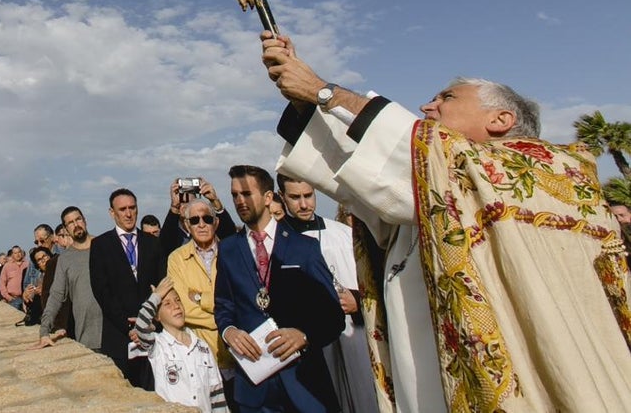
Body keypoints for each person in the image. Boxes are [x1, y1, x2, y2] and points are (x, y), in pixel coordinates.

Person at [261, 31, 631, 413]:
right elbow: (361, 174)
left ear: (502, 119)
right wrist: (303, 96)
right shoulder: (437, 191)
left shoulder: (539, 172)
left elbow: (425, 151)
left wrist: (326, 92)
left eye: (446, 98)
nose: (427, 106)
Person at [215, 165, 343, 413]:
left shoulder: (304, 248)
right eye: (234, 195)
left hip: (303, 384)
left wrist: (305, 335)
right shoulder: (229, 250)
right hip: (254, 390)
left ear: (267, 197)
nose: (240, 201)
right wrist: (229, 332)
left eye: (246, 193)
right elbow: (223, 306)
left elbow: (333, 316)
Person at [277, 173, 377, 413]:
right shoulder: (279, 242)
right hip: (314, 341)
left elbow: (372, 282)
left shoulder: (343, 234)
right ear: (282, 197)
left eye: (308, 195)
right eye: (295, 197)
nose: (304, 204)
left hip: (355, 333)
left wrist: (357, 299)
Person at [90, 188, 167, 389]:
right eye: (122, 209)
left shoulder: (153, 243)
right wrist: (129, 328)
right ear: (112, 212)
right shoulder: (100, 245)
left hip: (152, 332)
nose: (128, 213)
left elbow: (162, 283)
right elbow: (101, 291)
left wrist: (147, 323)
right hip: (119, 335)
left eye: (132, 208)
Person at [167, 198, 236, 403]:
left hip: (236, 355)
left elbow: (240, 300)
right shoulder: (176, 259)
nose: (202, 224)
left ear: (216, 222)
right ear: (187, 225)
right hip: (200, 357)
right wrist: (225, 318)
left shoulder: (233, 252)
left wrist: (200, 298)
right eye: (195, 220)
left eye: (207, 218)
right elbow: (184, 309)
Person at [134, 275, 229, 413]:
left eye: (178, 300)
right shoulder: (158, 345)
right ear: (157, 316)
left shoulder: (202, 347)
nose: (176, 306)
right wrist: (156, 296)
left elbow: (217, 393)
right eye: (167, 303)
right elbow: (141, 327)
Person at [38, 206, 102, 351]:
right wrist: (44, 331)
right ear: (66, 229)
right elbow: (56, 295)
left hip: (117, 334)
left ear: (85, 220)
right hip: (88, 337)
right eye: (70, 222)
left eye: (78, 219)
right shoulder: (65, 259)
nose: (76, 224)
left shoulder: (105, 245)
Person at [161, 177, 238, 256]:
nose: (184, 206)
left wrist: (214, 200)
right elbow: (164, 246)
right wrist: (174, 207)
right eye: (181, 202)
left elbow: (231, 237)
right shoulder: (172, 231)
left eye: (188, 202)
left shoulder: (206, 227)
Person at [0, 245, 28, 310]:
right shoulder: (7, 266)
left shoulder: (27, 265)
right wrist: (8, 297)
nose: (18, 254)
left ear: (22, 253)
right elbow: (2, 283)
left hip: (26, 298)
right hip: (13, 299)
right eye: (15, 253)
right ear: (12, 255)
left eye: (19, 252)